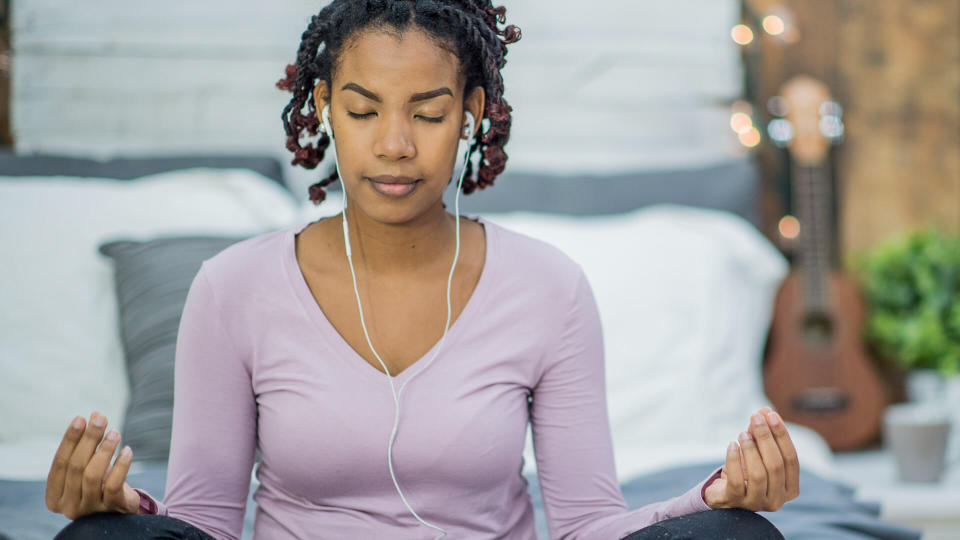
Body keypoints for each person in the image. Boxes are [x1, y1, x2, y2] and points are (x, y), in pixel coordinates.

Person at [47, 1, 799, 538]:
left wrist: (710, 498)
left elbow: (587, 527)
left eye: (429, 114)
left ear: (471, 113)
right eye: (364, 110)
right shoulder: (231, 288)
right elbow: (204, 526)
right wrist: (125, 514)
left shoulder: (548, 288)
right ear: (324, 108)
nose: (396, 144)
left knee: (736, 536)